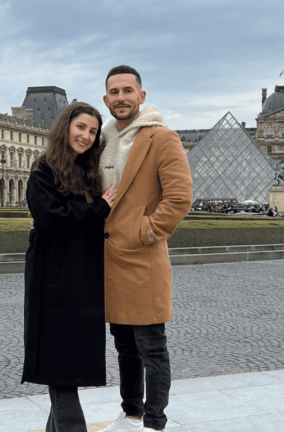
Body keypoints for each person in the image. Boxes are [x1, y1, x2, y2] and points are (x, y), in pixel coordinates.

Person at [98, 66, 192, 432]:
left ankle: (154, 422)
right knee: (124, 347)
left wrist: (147, 231)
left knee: (152, 347)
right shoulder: (102, 141)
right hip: (109, 261)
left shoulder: (162, 138)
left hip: (142, 259)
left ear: (141, 96)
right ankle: (131, 413)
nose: (120, 97)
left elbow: (180, 197)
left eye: (127, 90)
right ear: (106, 100)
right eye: (114, 92)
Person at [23, 102, 119, 432]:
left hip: (84, 283)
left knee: (66, 370)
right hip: (54, 283)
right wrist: (100, 208)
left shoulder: (90, 172)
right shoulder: (43, 169)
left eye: (93, 131)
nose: (87, 136)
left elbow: (66, 220)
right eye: (81, 128)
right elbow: (52, 219)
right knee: (61, 373)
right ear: (66, 127)